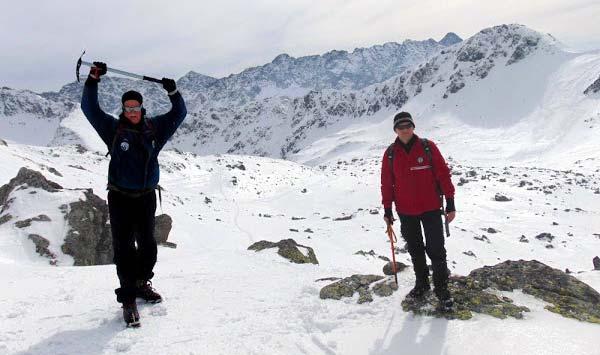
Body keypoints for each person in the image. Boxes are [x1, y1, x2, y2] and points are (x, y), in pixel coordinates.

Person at [81, 61, 187, 327]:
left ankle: (141, 283)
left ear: (141, 108)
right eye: (127, 108)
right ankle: (128, 299)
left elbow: (180, 113)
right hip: (119, 197)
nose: (131, 111)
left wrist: (173, 92)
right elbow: (89, 109)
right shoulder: (113, 129)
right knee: (124, 249)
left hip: (146, 197)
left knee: (149, 247)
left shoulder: (155, 129)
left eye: (135, 107)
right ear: (123, 109)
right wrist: (94, 78)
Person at [380, 111, 456, 310]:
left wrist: (450, 202)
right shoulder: (390, 154)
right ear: (395, 130)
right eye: (400, 127)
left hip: (431, 208)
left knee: (436, 249)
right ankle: (422, 284)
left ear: (413, 127)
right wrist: (387, 210)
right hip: (406, 211)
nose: (404, 130)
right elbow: (387, 184)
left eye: (408, 126)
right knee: (415, 250)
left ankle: (441, 288)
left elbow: (443, 175)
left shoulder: (427, 147)